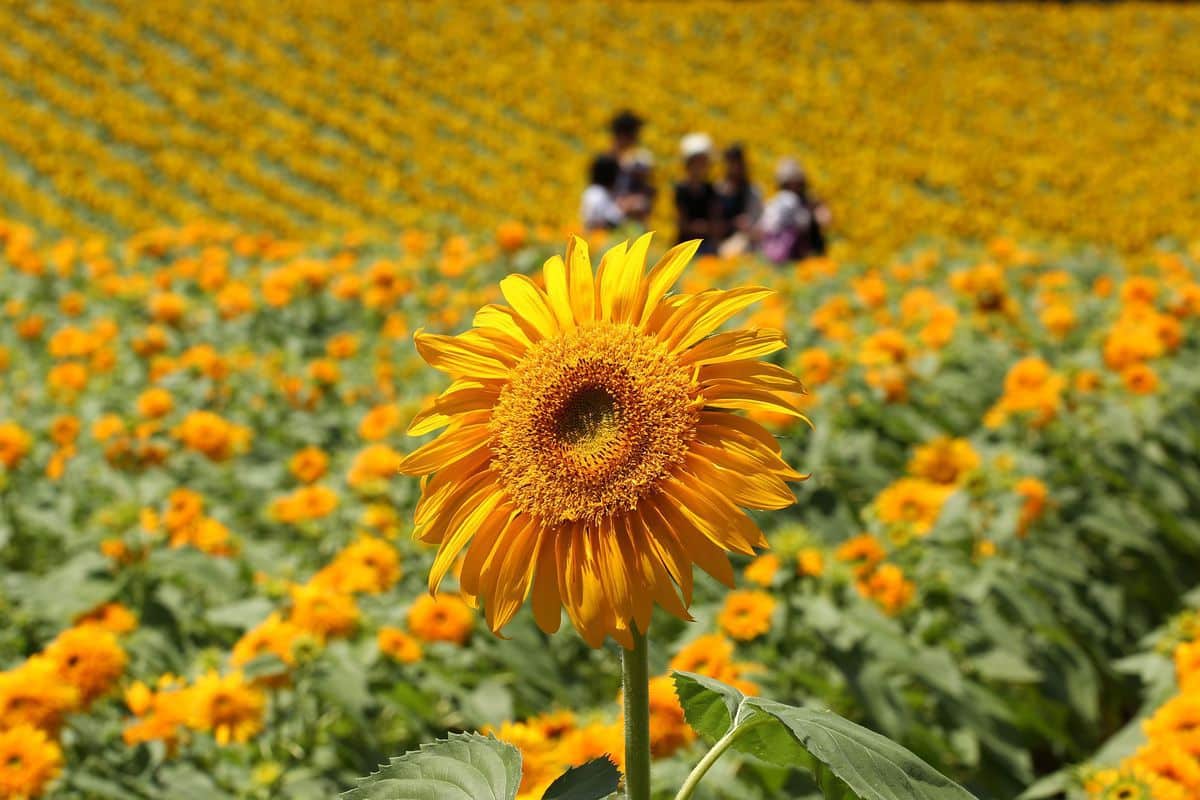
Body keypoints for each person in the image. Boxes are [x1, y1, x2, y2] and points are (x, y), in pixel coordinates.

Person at [759, 157, 831, 264]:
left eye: (796, 182)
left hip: (812, 253)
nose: (793, 186)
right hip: (788, 256)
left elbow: (826, 220)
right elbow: (765, 227)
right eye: (788, 183)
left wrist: (813, 212)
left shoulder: (811, 200)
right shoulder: (777, 202)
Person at [674, 132, 721, 255]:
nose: (700, 166)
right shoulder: (681, 189)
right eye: (697, 162)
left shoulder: (711, 189)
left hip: (707, 244)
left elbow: (714, 218)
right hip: (684, 243)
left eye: (703, 162)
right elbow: (681, 220)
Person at [608, 110, 655, 224]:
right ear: (623, 135)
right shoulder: (606, 163)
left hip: (631, 222)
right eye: (634, 135)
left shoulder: (637, 161)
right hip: (609, 223)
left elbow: (649, 190)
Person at [716, 144, 762, 256]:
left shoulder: (752, 191)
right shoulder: (719, 189)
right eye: (731, 163)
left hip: (745, 238)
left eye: (737, 163)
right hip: (719, 238)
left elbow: (759, 223)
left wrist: (747, 224)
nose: (734, 167)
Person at [580, 155, 626, 231]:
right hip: (597, 238)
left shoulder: (597, 192)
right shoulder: (596, 194)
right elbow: (594, 222)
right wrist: (624, 210)